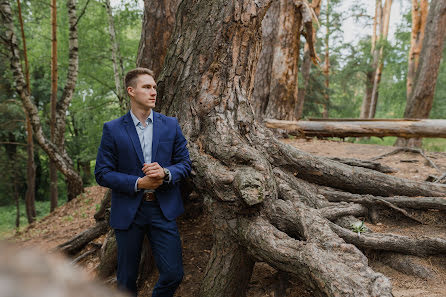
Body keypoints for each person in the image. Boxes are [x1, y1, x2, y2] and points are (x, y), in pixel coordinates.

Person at [95, 68, 191, 297]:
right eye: (147, 87)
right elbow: (102, 173)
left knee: (173, 273)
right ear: (131, 91)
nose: (153, 92)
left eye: (154, 87)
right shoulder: (113, 129)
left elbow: (185, 163)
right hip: (128, 211)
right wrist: (139, 182)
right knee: (126, 279)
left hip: (163, 209)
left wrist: (166, 172)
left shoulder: (170, 125)